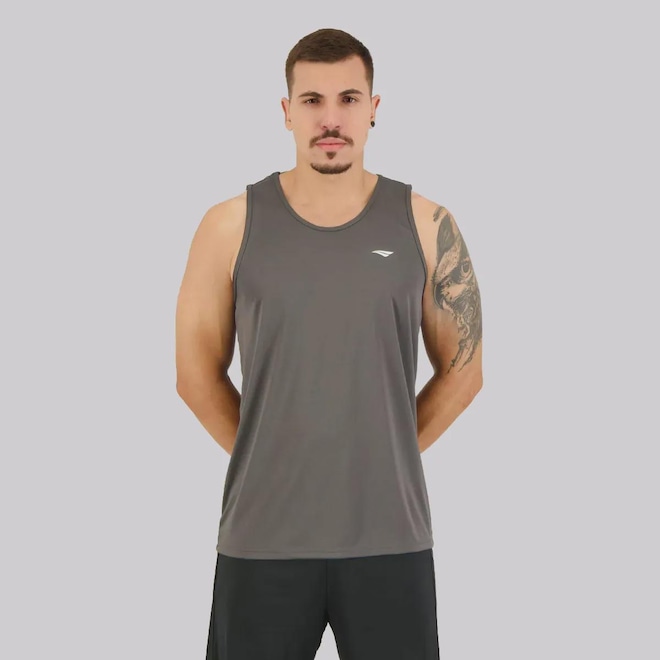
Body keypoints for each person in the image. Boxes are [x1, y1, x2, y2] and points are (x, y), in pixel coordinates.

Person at [175, 27, 483, 660]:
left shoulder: (427, 224)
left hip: (390, 539)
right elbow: (195, 375)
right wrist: (276, 458)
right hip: (262, 539)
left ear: (374, 108)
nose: (331, 119)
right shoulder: (228, 225)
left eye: (348, 98)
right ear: (287, 111)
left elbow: (465, 370)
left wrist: (382, 455)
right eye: (312, 100)